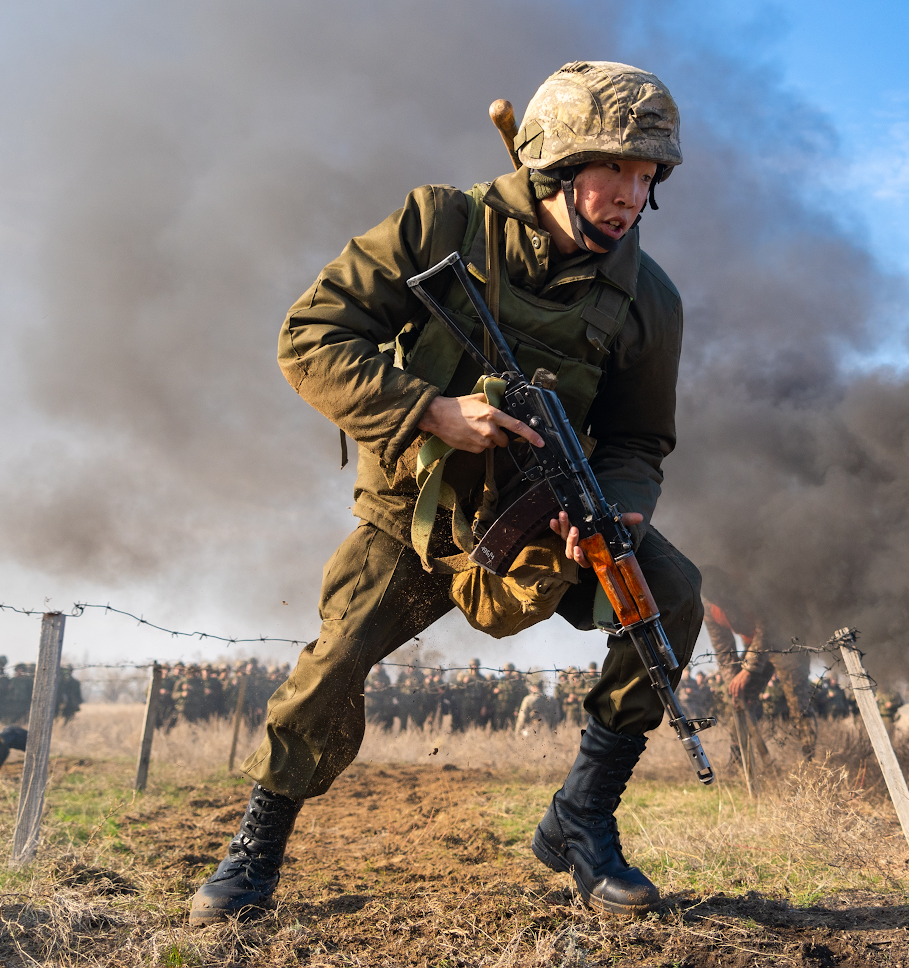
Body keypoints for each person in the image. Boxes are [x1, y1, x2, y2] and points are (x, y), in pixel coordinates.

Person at [191, 61, 699, 926]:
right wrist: (428, 409)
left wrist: (615, 510)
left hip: (545, 519)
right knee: (336, 661)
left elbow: (638, 441)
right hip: (414, 517)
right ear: (554, 163)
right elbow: (309, 336)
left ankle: (581, 818)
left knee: (670, 596)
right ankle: (256, 850)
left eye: (646, 175)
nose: (629, 195)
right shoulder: (442, 224)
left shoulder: (646, 298)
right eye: (613, 169)